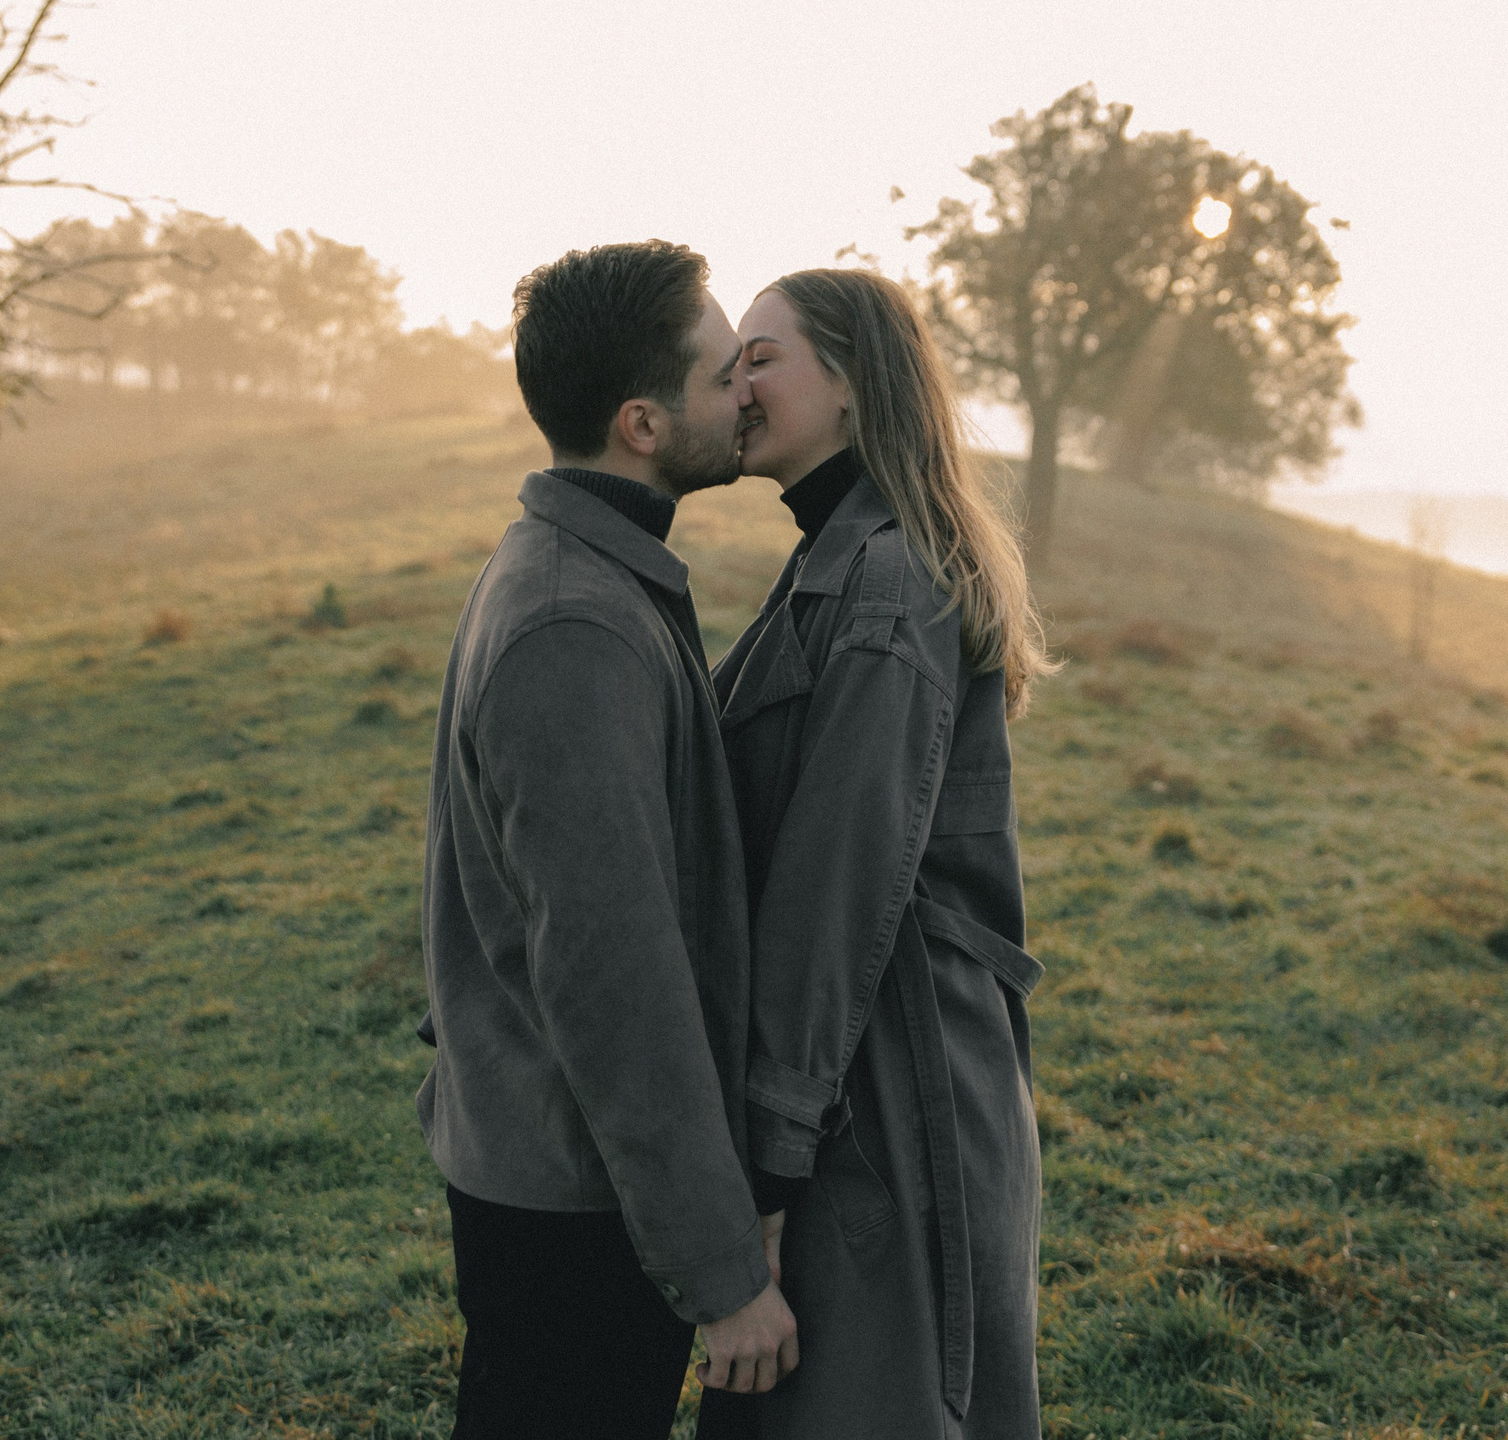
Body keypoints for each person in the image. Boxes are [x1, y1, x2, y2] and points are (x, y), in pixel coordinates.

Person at [415, 240, 797, 1439]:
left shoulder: (575, 572)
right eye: (720, 369)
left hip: (558, 1169)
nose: (746, 388)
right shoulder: (574, 622)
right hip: (574, 1202)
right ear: (641, 421)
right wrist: (723, 1271)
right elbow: (611, 980)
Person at [700, 268, 1054, 1439]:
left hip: (892, 1093)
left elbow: (836, 890)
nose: (732, 381)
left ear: (851, 388)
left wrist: (768, 1163)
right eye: (731, 358)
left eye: (762, 357)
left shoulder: (888, 584)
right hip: (866, 1073)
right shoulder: (829, 563)